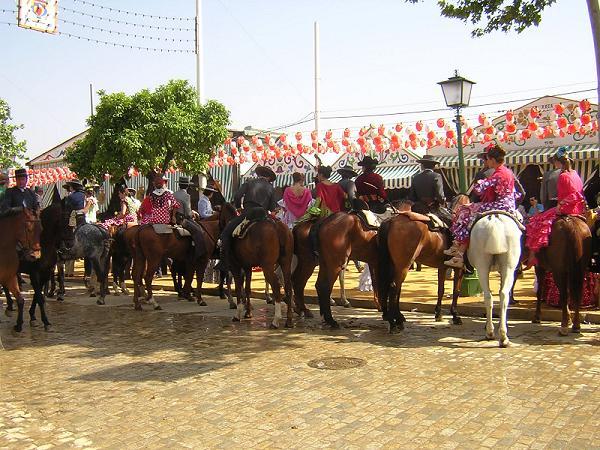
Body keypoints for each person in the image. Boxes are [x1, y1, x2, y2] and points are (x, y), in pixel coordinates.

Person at [444, 144, 520, 268]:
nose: (487, 162)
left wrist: (480, 183)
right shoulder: (508, 172)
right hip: (510, 205)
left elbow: (480, 189)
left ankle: (458, 247)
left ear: (493, 160)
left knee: (464, 210)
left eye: (488, 159)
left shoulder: (498, 173)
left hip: (498, 205)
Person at [525, 147, 587, 266]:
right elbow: (580, 194)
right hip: (578, 211)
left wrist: (561, 204)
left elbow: (573, 195)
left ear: (557, 162)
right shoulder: (575, 174)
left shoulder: (562, 176)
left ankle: (532, 257)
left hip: (565, 209)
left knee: (537, 221)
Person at [218, 166, 277, 271]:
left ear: (259, 175)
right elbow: (272, 208)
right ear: (268, 177)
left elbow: (237, 196)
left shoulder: (249, 182)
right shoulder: (271, 187)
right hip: (263, 214)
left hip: (248, 213)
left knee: (225, 233)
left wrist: (239, 207)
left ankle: (224, 262)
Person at [408, 155, 449, 221]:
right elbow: (440, 195)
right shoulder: (437, 176)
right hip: (432, 208)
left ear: (423, 166)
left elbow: (412, 196)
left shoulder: (415, 177)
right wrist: (443, 201)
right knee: (448, 222)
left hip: (417, 209)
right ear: (434, 166)